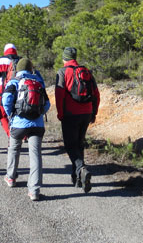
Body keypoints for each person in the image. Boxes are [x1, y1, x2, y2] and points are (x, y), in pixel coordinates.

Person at [1, 58, 50, 201]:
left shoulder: (14, 81)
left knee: (14, 149)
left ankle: (11, 177)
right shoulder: (38, 82)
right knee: (35, 154)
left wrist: (11, 114)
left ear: (18, 69)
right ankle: (34, 190)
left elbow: (6, 99)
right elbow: (47, 104)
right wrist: (38, 114)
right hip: (37, 125)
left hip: (18, 124)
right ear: (31, 69)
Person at [55, 47, 100, 193]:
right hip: (86, 112)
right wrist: (94, 112)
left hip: (70, 114)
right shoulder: (86, 71)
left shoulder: (62, 72)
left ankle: (81, 169)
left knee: (70, 146)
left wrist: (60, 113)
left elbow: (59, 95)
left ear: (64, 58)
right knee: (79, 145)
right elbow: (96, 94)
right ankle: (77, 179)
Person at [0, 43, 21, 137]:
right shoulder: (21, 60)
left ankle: (10, 135)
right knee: (19, 113)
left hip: (3, 91)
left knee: (3, 116)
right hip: (19, 90)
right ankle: (23, 135)